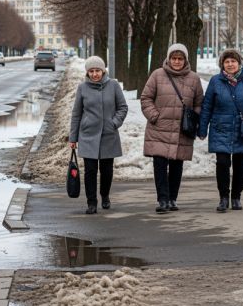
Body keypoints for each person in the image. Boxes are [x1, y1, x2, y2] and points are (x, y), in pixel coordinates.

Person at [198, 49, 243, 212]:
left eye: (233, 61)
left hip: (242, 129)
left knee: (240, 164)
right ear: (222, 64)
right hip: (220, 128)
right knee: (222, 163)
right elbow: (207, 106)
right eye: (227, 61)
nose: (230, 64)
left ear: (239, 63)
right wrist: (202, 128)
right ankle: (223, 198)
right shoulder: (215, 81)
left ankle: (236, 197)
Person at [141, 43, 204, 213]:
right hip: (159, 129)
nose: (177, 61)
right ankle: (162, 200)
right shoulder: (157, 75)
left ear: (185, 60)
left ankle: (172, 198)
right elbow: (146, 98)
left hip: (181, 130)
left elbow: (199, 103)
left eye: (180, 58)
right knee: (160, 165)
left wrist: (193, 120)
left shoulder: (194, 79)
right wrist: (155, 116)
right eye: (174, 58)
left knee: (177, 166)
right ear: (169, 59)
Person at [69, 56, 128, 214]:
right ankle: (91, 202)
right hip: (88, 135)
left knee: (107, 170)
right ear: (87, 72)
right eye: (91, 71)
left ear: (103, 71)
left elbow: (123, 107)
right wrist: (73, 138)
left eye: (98, 71)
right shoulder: (82, 88)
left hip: (108, 135)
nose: (95, 74)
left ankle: (105, 195)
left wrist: (114, 123)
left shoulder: (113, 85)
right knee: (90, 170)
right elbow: (76, 114)